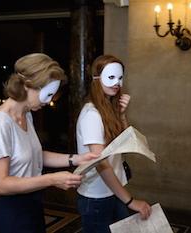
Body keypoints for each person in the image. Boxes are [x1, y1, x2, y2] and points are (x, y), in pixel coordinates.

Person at [0, 53, 98, 233]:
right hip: (10, 212)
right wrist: (51, 179)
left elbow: (35, 154)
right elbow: (0, 184)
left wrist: (76, 159)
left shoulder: (26, 114)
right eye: (48, 93)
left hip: (32, 203)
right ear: (27, 86)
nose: (49, 100)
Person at [75, 54, 152, 233]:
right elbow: (101, 164)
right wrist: (131, 201)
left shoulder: (109, 108)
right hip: (97, 197)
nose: (117, 82)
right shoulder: (92, 115)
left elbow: (127, 142)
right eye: (111, 77)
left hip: (114, 190)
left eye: (120, 77)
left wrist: (122, 114)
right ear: (96, 79)